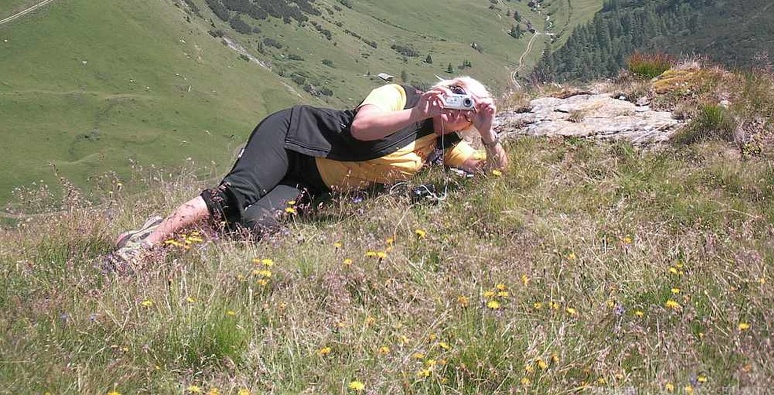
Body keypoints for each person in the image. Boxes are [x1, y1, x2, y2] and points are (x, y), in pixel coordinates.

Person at [110, 76, 508, 271]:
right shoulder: (401, 96)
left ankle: (160, 231)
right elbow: (361, 128)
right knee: (237, 194)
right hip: (293, 137)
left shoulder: (447, 145)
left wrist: (489, 135)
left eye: (470, 110)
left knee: (252, 226)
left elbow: (495, 173)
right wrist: (420, 113)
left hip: (310, 183)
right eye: (458, 97)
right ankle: (143, 248)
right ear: (445, 88)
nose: (460, 111)